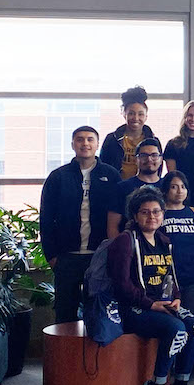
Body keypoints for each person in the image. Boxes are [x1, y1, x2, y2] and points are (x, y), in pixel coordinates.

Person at [106, 185, 194, 385]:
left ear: (163, 214)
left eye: (156, 211)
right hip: (133, 309)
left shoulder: (164, 240)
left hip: (162, 305)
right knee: (176, 329)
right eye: (145, 212)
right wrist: (151, 305)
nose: (152, 216)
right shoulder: (125, 240)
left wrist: (177, 298)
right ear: (134, 215)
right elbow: (121, 285)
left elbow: (172, 277)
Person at [40, 126, 121, 323]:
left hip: (99, 257)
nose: (85, 143)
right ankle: (67, 354)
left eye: (90, 139)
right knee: (65, 314)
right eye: (80, 139)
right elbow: (46, 218)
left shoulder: (111, 175)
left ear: (97, 144)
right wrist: (51, 256)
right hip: (67, 258)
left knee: (99, 314)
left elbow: (120, 216)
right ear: (73, 144)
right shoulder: (58, 177)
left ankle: (96, 355)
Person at [160, 171, 194, 321]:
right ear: (166, 190)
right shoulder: (160, 214)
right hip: (167, 280)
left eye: (183, 186)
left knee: (193, 324)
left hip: (193, 281)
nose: (179, 191)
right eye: (174, 187)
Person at [107, 137, 163, 239]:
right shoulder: (122, 188)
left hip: (163, 248)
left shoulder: (168, 186)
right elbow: (112, 226)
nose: (149, 159)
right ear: (136, 160)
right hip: (131, 246)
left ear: (161, 159)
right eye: (143, 156)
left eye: (154, 155)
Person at [99, 86, 155, 180]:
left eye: (140, 114)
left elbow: (157, 169)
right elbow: (102, 167)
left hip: (143, 189)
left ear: (146, 116)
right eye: (131, 113)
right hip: (116, 188)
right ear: (124, 114)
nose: (136, 118)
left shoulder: (153, 141)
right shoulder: (112, 139)